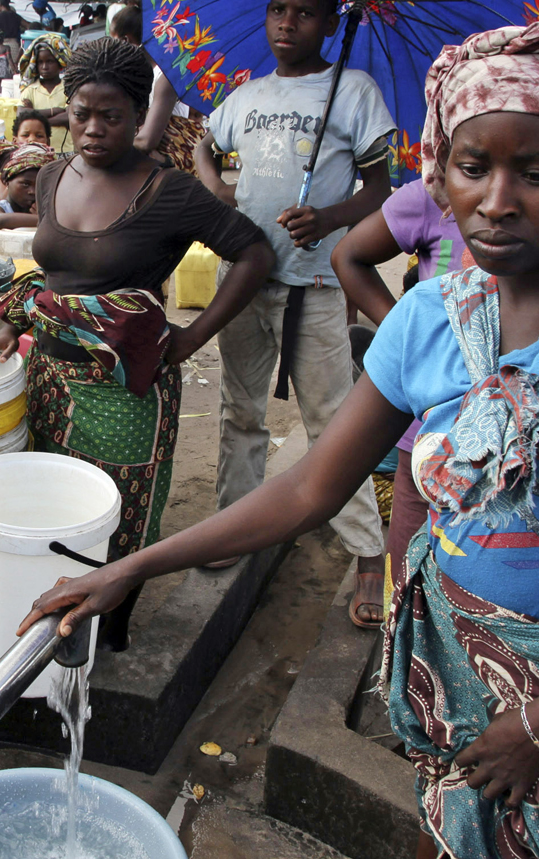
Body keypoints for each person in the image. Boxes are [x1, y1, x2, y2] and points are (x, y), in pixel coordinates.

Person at [26, 22, 539, 859]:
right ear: (439, 171)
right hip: (445, 650)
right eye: (472, 167)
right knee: (442, 827)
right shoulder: (431, 317)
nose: (498, 199)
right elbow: (307, 490)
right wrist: (130, 567)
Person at [0, 38, 275, 651]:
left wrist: (192, 336)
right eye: (81, 113)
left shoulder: (169, 191)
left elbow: (254, 253)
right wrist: (14, 322)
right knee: (52, 506)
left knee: (117, 520)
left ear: (140, 115)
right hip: (49, 380)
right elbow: (59, 277)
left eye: (110, 116)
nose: (91, 129)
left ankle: (110, 637)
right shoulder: (55, 173)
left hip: (125, 393)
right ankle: (50, 633)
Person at [194, 0, 395, 583]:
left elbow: (380, 188)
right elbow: (207, 145)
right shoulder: (248, 96)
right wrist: (217, 188)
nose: (287, 23)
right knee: (239, 410)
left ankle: (364, 551)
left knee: (332, 418)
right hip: (244, 279)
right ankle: (235, 521)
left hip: (313, 283)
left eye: (305, 13)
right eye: (278, 9)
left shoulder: (353, 91)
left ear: (332, 24)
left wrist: (331, 216)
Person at [331, 176, 471, 627]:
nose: (496, 202)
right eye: (472, 167)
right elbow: (348, 254)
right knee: (410, 545)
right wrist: (405, 331)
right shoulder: (428, 199)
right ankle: (403, 631)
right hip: (427, 427)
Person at [108, 1, 203, 172]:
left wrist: (104, 143)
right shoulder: (137, 76)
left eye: (113, 41)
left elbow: (146, 142)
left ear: (126, 40)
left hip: (174, 165)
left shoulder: (165, 75)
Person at [0, 139, 50, 253]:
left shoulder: (44, 209)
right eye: (25, 184)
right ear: (7, 181)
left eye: (39, 185)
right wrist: (45, 220)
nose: (33, 191)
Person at [19, 32, 70, 153]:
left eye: (50, 62)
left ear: (60, 63)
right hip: (38, 151)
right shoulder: (30, 90)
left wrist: (36, 118)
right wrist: (55, 111)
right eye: (40, 62)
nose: (44, 67)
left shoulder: (69, 88)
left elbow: (69, 116)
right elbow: (21, 115)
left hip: (65, 151)